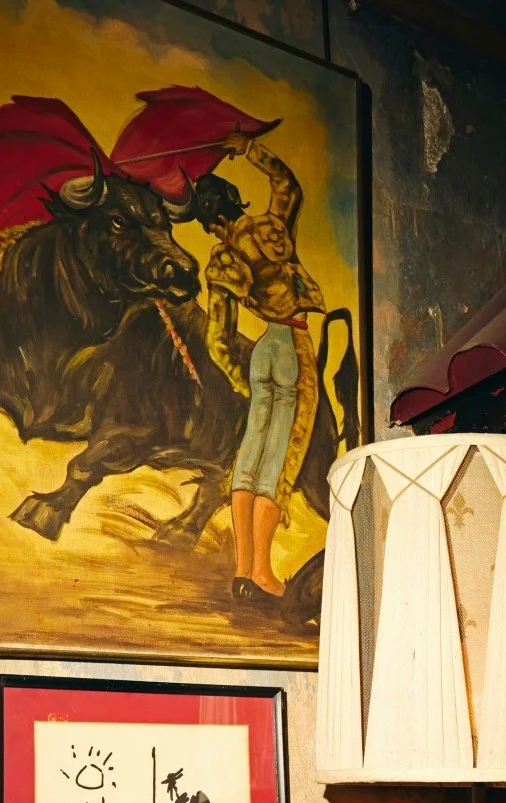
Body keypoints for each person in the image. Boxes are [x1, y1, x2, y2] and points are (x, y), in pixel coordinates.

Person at [195, 128, 324, 604]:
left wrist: (237, 378)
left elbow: (218, 336)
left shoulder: (222, 259)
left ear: (210, 223)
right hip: (291, 337)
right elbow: (289, 184)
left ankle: (243, 572)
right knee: (282, 457)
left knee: (248, 459)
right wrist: (249, 149)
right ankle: (266, 573)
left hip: (263, 351)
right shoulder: (270, 226)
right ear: (234, 199)